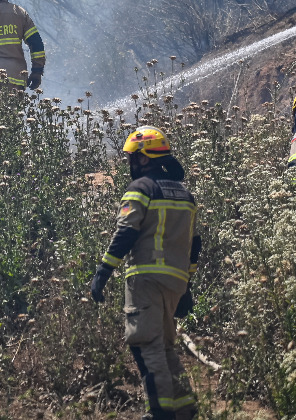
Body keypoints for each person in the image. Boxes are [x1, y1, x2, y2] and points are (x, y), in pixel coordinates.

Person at [90, 126, 200, 420]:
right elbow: (194, 244)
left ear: (143, 158)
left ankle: (161, 412)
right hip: (176, 283)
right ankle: (184, 408)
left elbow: (126, 232)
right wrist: (187, 288)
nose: (129, 163)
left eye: (131, 157)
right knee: (165, 346)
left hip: (146, 279)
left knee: (146, 346)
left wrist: (103, 272)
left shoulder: (140, 189)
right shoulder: (186, 195)